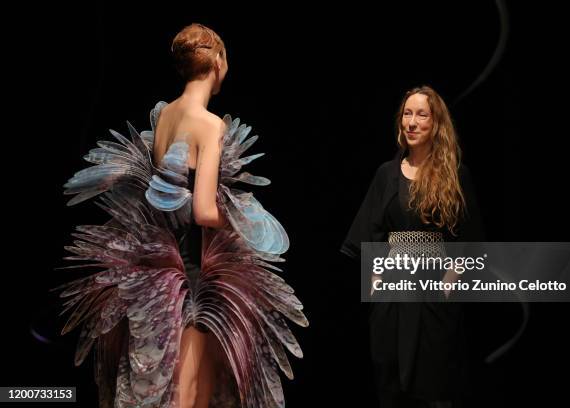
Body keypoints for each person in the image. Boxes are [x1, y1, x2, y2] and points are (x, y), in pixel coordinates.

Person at [54, 23, 308, 408]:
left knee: (176, 389)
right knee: (191, 395)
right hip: (193, 281)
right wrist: (242, 223)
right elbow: (204, 210)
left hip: (158, 270)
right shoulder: (209, 125)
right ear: (219, 61)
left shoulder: (167, 115)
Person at [341, 85, 485, 408]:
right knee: (391, 389)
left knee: (434, 389)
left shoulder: (455, 175)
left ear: (436, 123)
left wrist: (449, 282)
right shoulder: (386, 175)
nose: (412, 122)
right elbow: (370, 232)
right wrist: (377, 281)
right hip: (392, 295)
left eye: (421, 114)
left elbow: (471, 239)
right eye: (407, 113)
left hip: (434, 297)